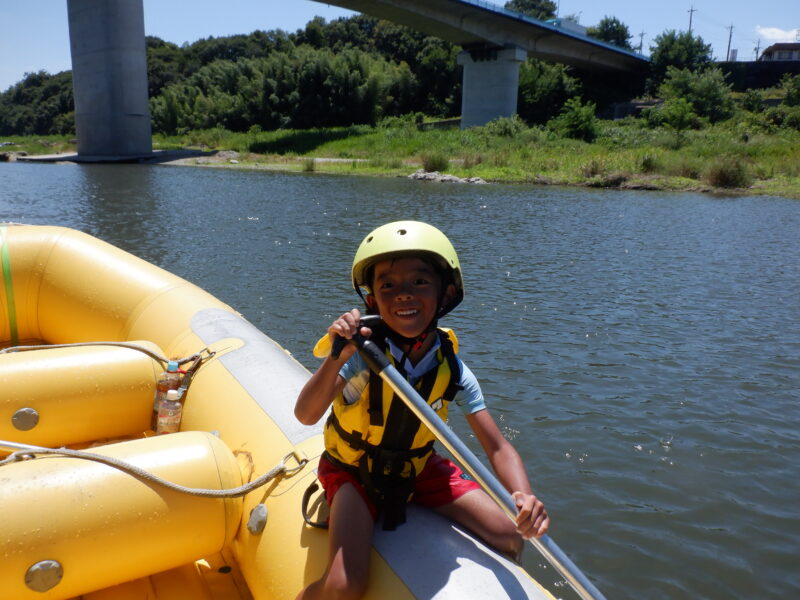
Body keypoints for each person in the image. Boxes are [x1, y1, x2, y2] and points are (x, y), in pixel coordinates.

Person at [295, 221, 549, 600]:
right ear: (372, 301)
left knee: (511, 535)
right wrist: (338, 356)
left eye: (418, 282)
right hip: (353, 472)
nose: (403, 295)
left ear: (445, 293)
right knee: (345, 586)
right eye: (388, 285)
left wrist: (524, 496)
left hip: (417, 467)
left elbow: (497, 447)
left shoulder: (453, 370)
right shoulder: (360, 359)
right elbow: (306, 414)